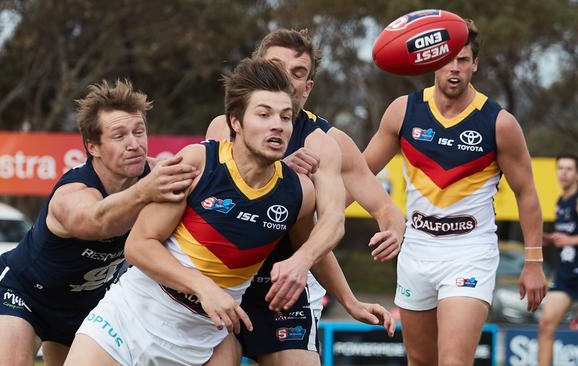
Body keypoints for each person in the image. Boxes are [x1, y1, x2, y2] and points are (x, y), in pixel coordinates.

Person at [64, 58, 344, 366]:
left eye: (286, 116)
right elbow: (138, 246)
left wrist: (348, 299)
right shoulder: (198, 163)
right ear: (235, 122)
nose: (277, 124)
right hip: (129, 321)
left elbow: (321, 239)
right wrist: (203, 287)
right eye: (263, 114)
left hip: (200, 342)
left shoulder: (296, 192)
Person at [206, 29, 403, 366]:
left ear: (307, 88)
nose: (285, 77)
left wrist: (392, 228)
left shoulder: (327, 143)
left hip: (287, 282)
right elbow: (221, 205)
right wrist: (279, 170)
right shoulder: (225, 128)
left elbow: (377, 208)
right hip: (223, 277)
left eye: (298, 73)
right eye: (275, 66)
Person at [363, 19, 547, 365]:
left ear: (475, 64)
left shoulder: (498, 123)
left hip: (469, 250)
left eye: (463, 60)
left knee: (453, 361)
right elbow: (359, 173)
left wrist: (533, 261)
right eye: (447, 59)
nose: (454, 68)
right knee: (420, 360)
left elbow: (527, 193)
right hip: (416, 249)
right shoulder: (404, 111)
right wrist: (316, 225)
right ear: (432, 61)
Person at [0, 79, 199, 366]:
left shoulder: (158, 176)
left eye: (139, 131)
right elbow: (95, 221)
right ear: (93, 146)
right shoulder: (73, 192)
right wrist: (143, 192)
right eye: (119, 136)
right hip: (24, 295)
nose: (134, 144)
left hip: (89, 307)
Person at [538, 154, 578, 366]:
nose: (564, 172)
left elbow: (571, 237)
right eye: (560, 168)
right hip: (566, 274)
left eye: (569, 169)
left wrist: (570, 239)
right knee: (545, 325)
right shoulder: (560, 202)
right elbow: (566, 236)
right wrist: (550, 239)